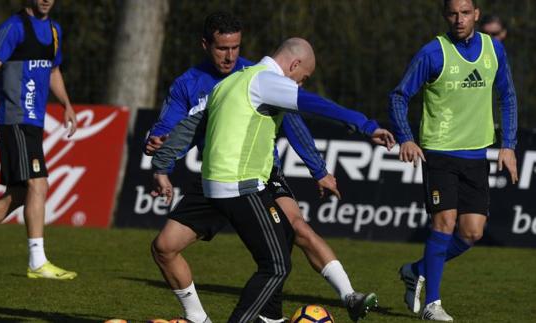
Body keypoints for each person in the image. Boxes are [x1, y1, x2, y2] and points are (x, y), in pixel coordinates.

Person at [145, 12, 379, 323]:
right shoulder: (193, 84)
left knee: (296, 228)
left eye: (236, 48)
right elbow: (177, 128)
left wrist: (318, 170)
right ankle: (201, 320)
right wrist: (159, 154)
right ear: (205, 45)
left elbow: (294, 124)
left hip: (262, 175)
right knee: (165, 247)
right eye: (221, 49)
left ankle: (347, 295)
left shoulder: (256, 74)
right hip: (221, 177)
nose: (230, 56)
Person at [389, 0, 518, 320]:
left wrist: (509, 145)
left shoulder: (494, 50)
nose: (459, 19)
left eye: (465, 12)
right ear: (445, 16)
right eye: (452, 14)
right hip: (440, 153)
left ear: (476, 13)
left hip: (477, 155)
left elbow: (508, 96)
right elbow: (399, 95)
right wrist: (406, 137)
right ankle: (432, 304)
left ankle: (415, 270)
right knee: (443, 224)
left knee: (472, 233)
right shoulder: (433, 53)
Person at [0, 0, 77, 279]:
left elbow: (53, 71)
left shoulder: (54, 30)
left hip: (33, 122)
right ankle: (37, 262)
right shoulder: (13, 27)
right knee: (38, 183)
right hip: (15, 119)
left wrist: (67, 104)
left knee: (19, 194)